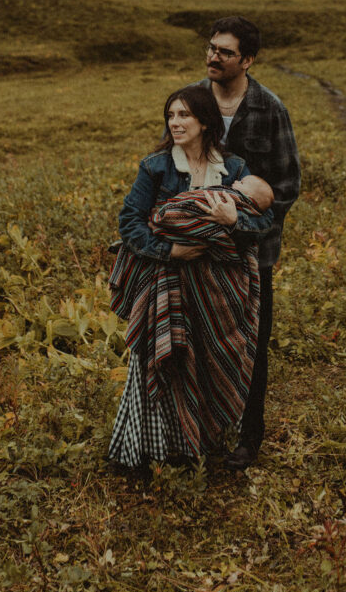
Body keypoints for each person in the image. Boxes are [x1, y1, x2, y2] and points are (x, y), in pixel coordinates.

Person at [107, 85, 273, 469]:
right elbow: (130, 222)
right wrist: (170, 251)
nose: (175, 122)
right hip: (169, 280)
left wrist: (236, 221)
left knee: (210, 357)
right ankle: (150, 447)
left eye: (184, 115)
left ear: (205, 121)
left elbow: (262, 221)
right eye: (171, 116)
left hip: (217, 287)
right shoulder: (157, 166)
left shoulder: (233, 169)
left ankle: (198, 442)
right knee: (164, 354)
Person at [200, 15, 301, 470]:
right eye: (210, 47)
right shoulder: (191, 101)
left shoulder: (269, 108)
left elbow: (285, 186)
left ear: (247, 60)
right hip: (198, 249)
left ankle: (248, 439)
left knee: (251, 344)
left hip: (251, 252)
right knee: (198, 340)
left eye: (224, 51)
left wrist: (242, 224)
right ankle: (200, 433)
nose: (212, 56)